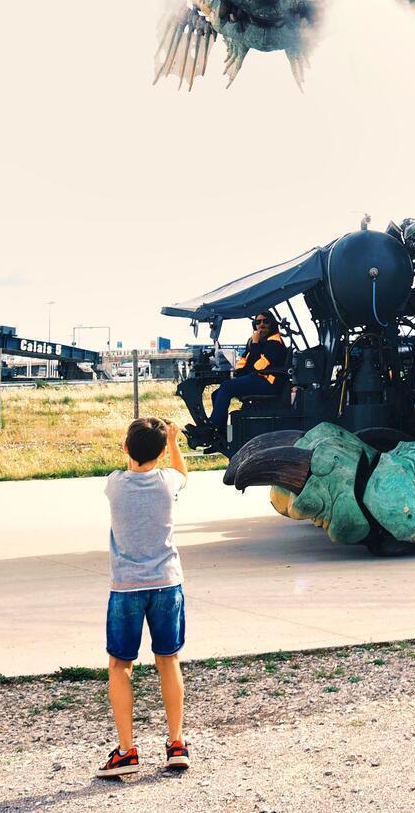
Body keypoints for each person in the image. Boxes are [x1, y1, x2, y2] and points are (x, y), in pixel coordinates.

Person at [96, 417, 190, 778]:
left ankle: (126, 750)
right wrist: (174, 442)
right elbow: (182, 472)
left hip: (126, 588)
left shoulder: (115, 484)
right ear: (162, 452)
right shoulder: (168, 483)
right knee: (168, 660)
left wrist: (153, 442)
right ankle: (176, 743)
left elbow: (133, 462)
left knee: (120, 666)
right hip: (167, 583)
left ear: (125, 449)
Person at [206, 312, 289, 447]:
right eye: (258, 322)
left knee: (227, 387)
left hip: (269, 382)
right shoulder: (257, 341)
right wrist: (236, 374)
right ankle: (219, 433)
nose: (261, 325)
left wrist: (255, 343)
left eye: (265, 321)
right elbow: (245, 363)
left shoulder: (274, 343)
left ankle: (213, 427)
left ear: (272, 323)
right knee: (217, 393)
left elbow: (257, 366)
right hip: (257, 378)